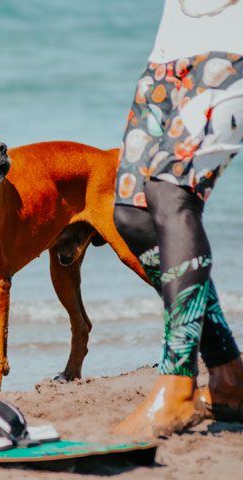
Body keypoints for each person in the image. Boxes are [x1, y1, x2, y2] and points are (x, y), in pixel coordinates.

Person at [112, 0, 243, 438]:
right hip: (168, 54)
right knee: (132, 213)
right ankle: (230, 376)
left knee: (172, 192)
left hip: (232, 47)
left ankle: (177, 383)